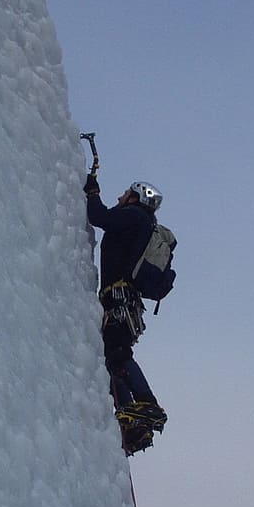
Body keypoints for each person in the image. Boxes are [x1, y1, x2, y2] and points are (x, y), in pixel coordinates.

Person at [84, 173, 167, 453]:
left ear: (136, 198)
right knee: (114, 357)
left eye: (124, 194)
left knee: (117, 355)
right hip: (124, 302)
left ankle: (145, 403)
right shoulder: (142, 223)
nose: (120, 198)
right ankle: (134, 419)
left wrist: (92, 192)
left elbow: (100, 217)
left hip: (119, 300)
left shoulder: (134, 216)